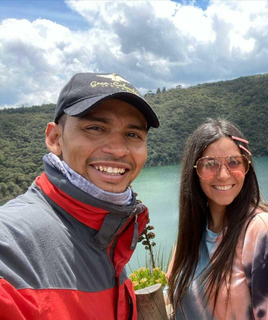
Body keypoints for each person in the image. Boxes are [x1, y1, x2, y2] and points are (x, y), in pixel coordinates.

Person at [0, 72, 160, 319]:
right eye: (95, 128)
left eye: (133, 134)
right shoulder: (11, 247)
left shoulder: (108, 232)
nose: (118, 150)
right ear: (55, 139)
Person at [167, 118, 268, 319]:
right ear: (194, 171)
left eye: (234, 162)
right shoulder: (194, 232)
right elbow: (171, 293)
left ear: (247, 167)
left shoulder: (266, 236)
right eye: (210, 164)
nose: (224, 175)